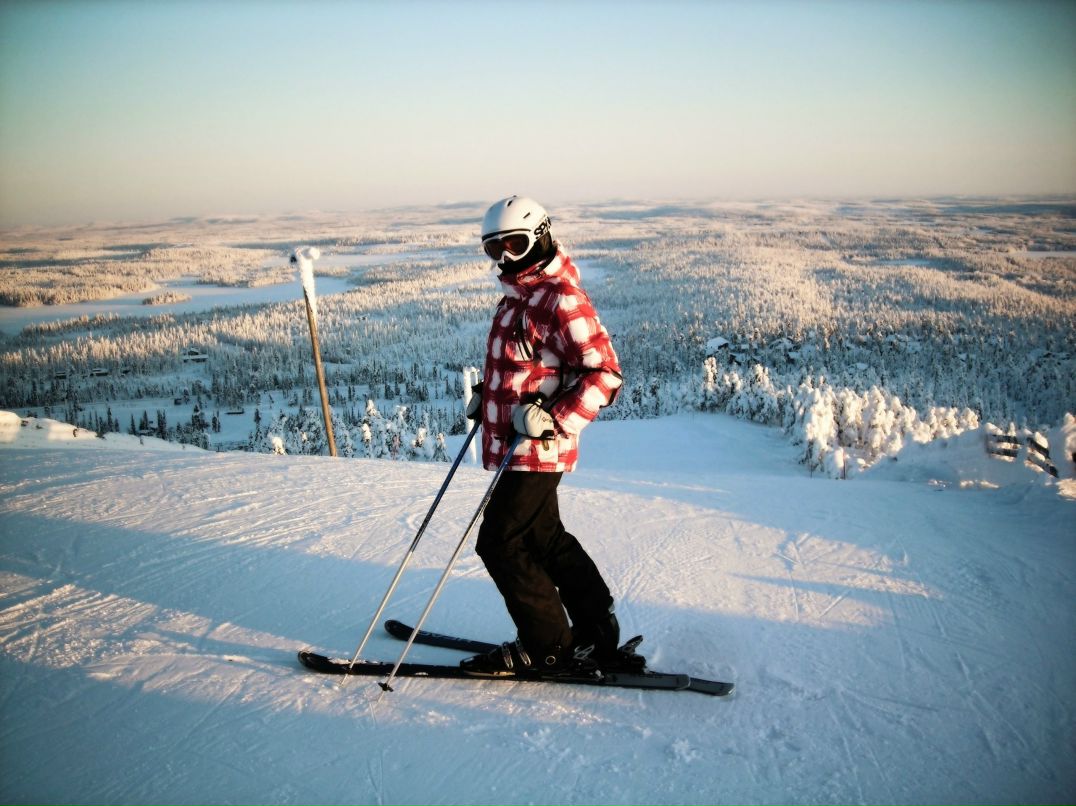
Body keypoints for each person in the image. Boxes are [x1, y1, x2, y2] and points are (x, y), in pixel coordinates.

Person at [460, 196, 625, 677]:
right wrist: (488, 397)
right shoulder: (518, 298)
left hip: (539, 448)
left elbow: (605, 374)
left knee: (500, 542)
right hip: (518, 447)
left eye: (514, 243)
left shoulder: (559, 299)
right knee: (544, 537)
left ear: (541, 236)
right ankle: (597, 627)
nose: (505, 257)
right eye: (494, 249)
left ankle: (546, 645)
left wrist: (554, 419)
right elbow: (529, 370)